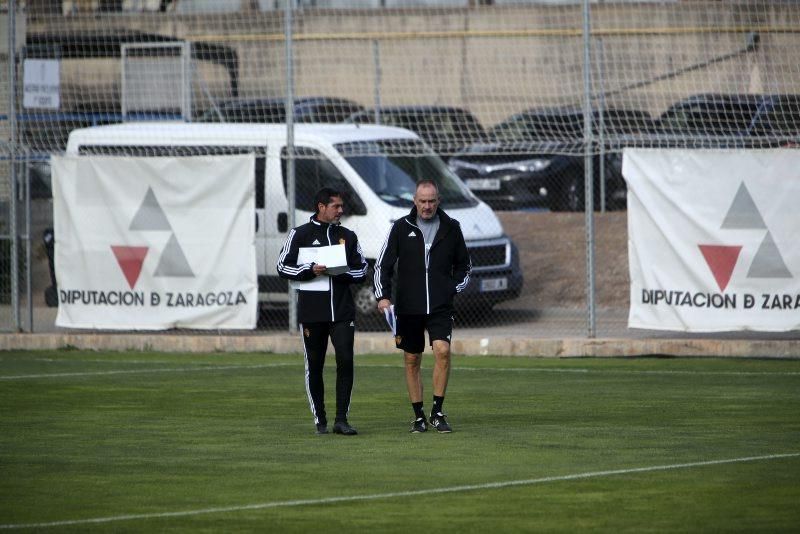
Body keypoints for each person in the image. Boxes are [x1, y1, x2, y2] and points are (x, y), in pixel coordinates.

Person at [374, 179, 471, 433]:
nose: (427, 206)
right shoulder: (400, 228)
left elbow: (465, 266)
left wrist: (452, 288)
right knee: (412, 358)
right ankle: (418, 416)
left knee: (442, 351)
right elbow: (382, 265)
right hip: (408, 307)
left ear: (438, 201)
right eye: (422, 201)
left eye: (431, 201)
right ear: (414, 201)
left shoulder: (452, 228)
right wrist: (382, 296)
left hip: (440, 306)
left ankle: (437, 412)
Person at [277, 187, 368, 436]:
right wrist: (308, 270)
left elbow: (362, 270)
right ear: (321, 207)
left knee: (346, 361)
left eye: (341, 206)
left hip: (342, 312)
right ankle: (321, 420)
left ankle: (342, 419)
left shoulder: (348, 236)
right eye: (336, 206)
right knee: (314, 365)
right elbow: (282, 266)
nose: (341, 210)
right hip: (311, 312)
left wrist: (340, 272)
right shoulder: (300, 234)